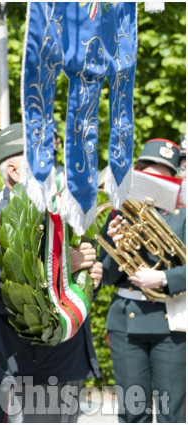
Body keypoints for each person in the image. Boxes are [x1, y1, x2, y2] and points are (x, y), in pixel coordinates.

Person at [0, 123, 102, 423]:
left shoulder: (58, 209)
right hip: (27, 370)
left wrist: (88, 279)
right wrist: (62, 269)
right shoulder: (1, 218)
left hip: (67, 361)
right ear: (13, 170)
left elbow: (76, 277)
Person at [101, 138, 186, 423]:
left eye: (162, 177)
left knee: (171, 411)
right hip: (126, 320)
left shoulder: (184, 216)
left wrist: (161, 276)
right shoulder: (119, 212)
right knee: (133, 410)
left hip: (170, 322)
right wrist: (116, 244)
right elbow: (108, 276)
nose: (153, 183)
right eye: (147, 174)